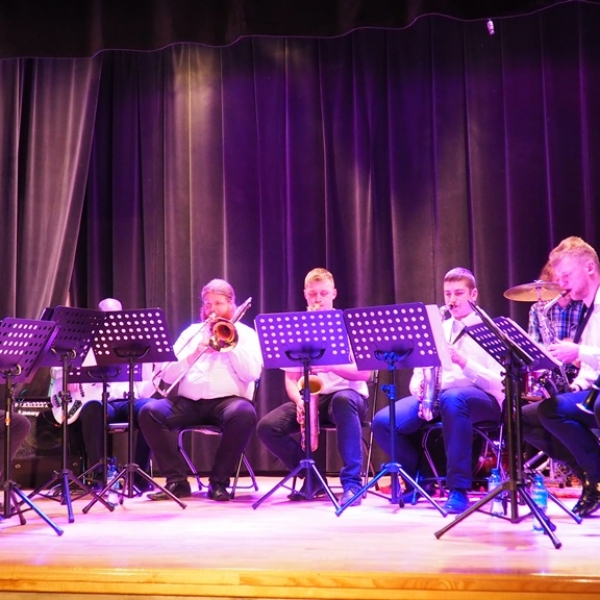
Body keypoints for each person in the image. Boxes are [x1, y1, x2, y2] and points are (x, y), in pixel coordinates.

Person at [372, 267, 504, 514]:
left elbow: (499, 383)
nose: (452, 300)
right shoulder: (439, 329)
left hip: (482, 400)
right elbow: (418, 374)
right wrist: (420, 390)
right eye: (447, 294)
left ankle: (458, 489)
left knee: (454, 399)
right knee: (383, 422)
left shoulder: (490, 330)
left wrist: (464, 362)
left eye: (459, 293)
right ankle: (419, 478)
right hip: (442, 397)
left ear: (474, 294)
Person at [138, 278, 262, 501]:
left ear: (231, 304)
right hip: (190, 404)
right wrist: (194, 354)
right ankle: (177, 482)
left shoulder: (245, 334)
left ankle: (218, 483)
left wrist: (229, 347)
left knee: (245, 414)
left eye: (218, 303)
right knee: (149, 412)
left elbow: (252, 373)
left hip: (228, 404)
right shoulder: (191, 333)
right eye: (208, 304)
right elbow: (167, 374)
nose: (212, 309)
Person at [256, 268, 371, 506]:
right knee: (267, 427)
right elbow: (291, 379)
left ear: (334, 294)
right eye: (312, 294)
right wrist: (300, 401)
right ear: (305, 295)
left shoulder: (348, 326)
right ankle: (313, 477)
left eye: (324, 293)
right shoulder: (297, 329)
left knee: (342, 400)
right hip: (312, 397)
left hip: (349, 397)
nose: (318, 299)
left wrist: (330, 366)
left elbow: (365, 374)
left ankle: (352, 483)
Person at [522, 236, 600, 517]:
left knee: (553, 411)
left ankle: (595, 476)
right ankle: (590, 474)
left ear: (589, 268)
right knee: (524, 417)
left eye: (567, 275)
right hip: (594, 390)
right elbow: (592, 371)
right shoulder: (589, 309)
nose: (562, 283)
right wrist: (576, 385)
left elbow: (588, 355)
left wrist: (578, 351)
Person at [49, 298, 155, 491]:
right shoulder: (83, 342)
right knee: (92, 409)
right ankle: (99, 473)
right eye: (105, 317)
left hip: (128, 400)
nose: (110, 322)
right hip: (100, 402)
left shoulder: (136, 345)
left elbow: (144, 387)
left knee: (151, 409)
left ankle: (139, 476)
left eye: (115, 317)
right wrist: (68, 375)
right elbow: (55, 368)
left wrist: (156, 379)